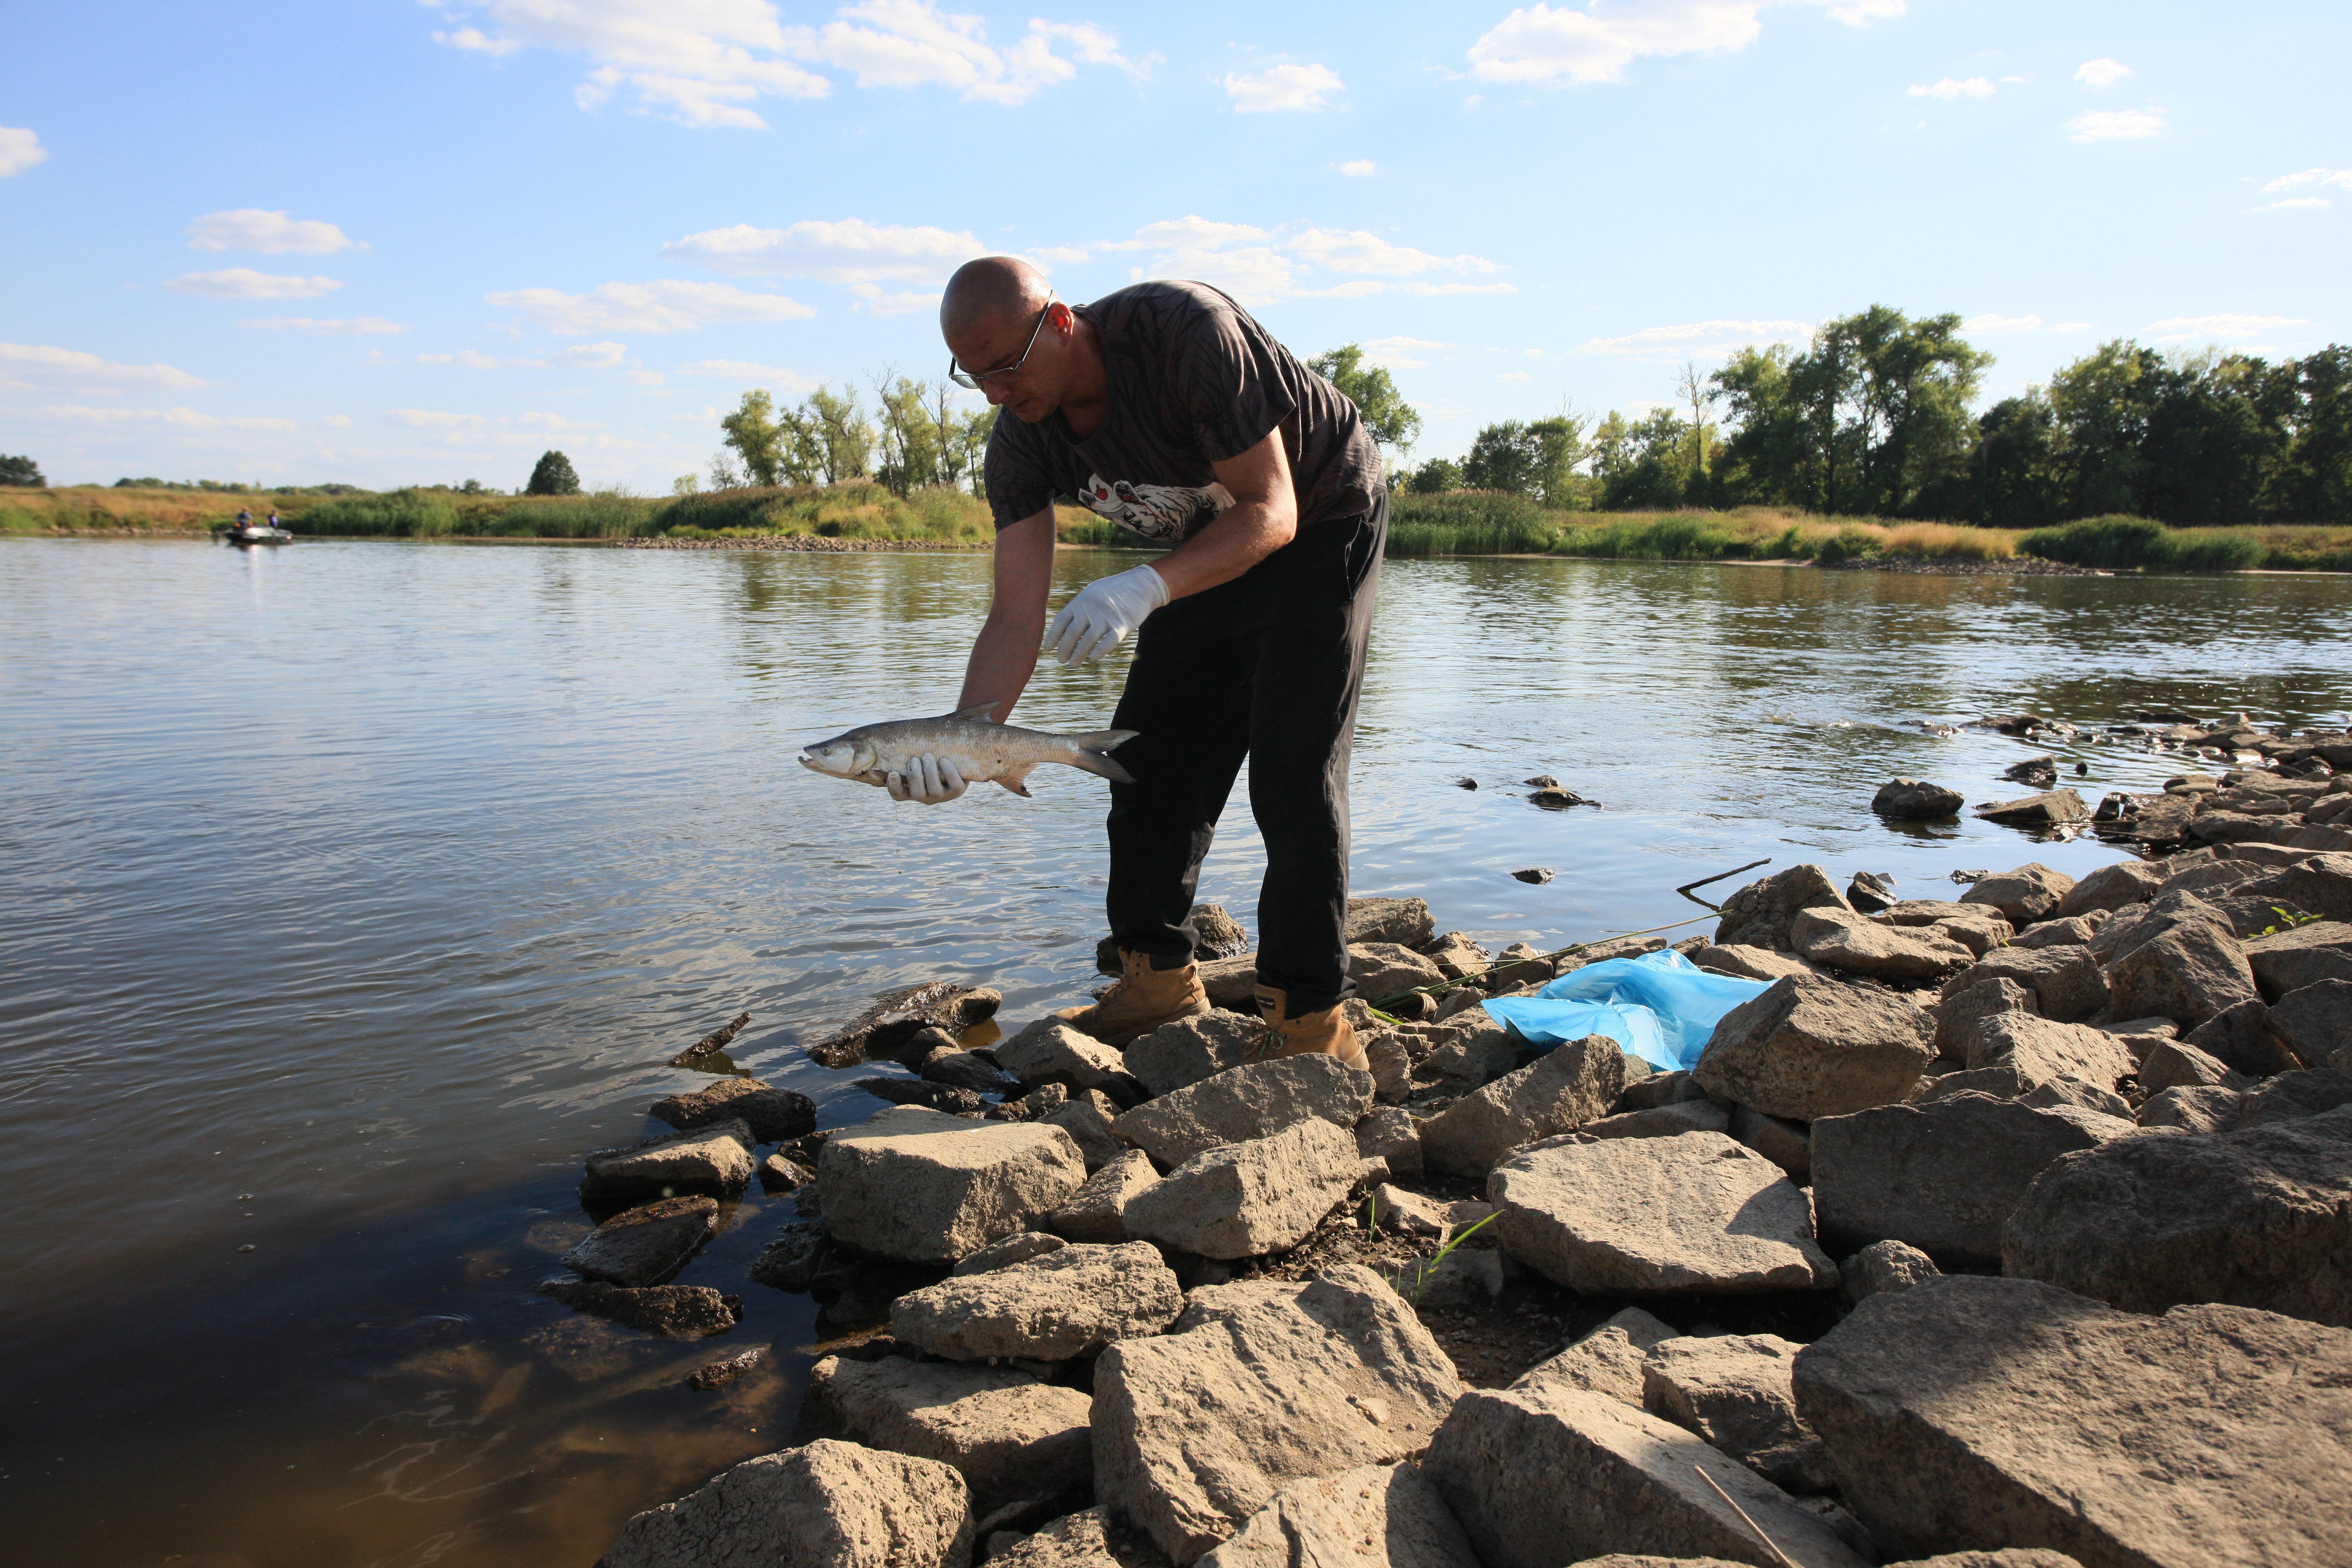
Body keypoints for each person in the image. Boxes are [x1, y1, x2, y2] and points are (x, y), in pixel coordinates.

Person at [908, 257, 1387, 1068]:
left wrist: (1142, 588)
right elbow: (1015, 614)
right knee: (1145, 767)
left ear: (1060, 323)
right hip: (1204, 546)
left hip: (1320, 516)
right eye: (973, 375)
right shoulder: (1021, 442)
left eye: (1006, 366)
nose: (994, 392)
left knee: (1291, 773)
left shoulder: (1186, 335)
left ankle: (1309, 1024)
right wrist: (960, 741)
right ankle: (1157, 983)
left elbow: (1271, 512)